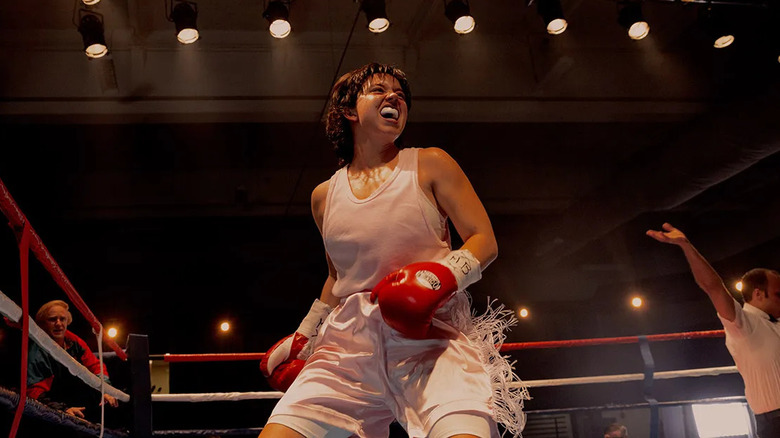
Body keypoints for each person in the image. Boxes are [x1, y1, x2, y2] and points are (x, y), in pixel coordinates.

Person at [258, 62, 526, 438]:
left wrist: (437, 279)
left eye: (400, 94)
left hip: (430, 339)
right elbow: (337, 276)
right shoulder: (324, 196)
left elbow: (484, 239)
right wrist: (306, 335)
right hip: (347, 350)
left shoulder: (430, 164)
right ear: (349, 110)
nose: (394, 97)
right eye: (379, 90)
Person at [647, 223, 780, 437]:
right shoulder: (742, 323)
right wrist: (686, 246)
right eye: (778, 294)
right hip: (774, 420)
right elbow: (713, 287)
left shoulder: (776, 324)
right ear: (758, 294)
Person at [27, 299, 119, 420]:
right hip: (53, 408)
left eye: (62, 319)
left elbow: (95, 366)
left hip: (77, 400)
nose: (59, 323)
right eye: (52, 319)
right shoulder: (37, 352)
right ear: (43, 324)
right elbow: (34, 392)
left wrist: (106, 390)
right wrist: (62, 410)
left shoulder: (74, 340)